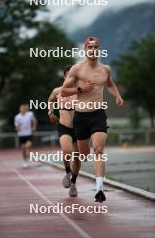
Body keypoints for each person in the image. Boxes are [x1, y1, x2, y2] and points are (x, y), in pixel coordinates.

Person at [61, 37, 124, 202]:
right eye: (90, 47)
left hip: (98, 115)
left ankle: (99, 189)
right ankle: (78, 169)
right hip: (80, 117)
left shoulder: (105, 69)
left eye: (96, 47)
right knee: (83, 154)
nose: (93, 50)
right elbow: (64, 91)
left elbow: (109, 84)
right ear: (85, 49)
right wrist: (80, 89)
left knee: (98, 150)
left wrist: (117, 95)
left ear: (100, 49)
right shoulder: (77, 69)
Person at [48, 65, 81, 197]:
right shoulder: (57, 91)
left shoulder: (80, 91)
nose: (71, 78)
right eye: (68, 75)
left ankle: (73, 183)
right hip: (64, 126)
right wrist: (50, 112)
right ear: (64, 76)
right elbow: (50, 100)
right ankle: (67, 171)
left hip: (79, 128)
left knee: (77, 158)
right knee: (67, 152)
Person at [14, 104, 37, 168]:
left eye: (24, 108)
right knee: (23, 149)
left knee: (28, 145)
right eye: (21, 109)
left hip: (29, 134)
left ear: (25, 109)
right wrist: (18, 129)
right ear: (20, 109)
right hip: (21, 135)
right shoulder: (17, 117)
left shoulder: (30, 114)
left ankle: (28, 152)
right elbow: (16, 127)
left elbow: (34, 121)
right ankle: (25, 161)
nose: (23, 110)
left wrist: (34, 127)